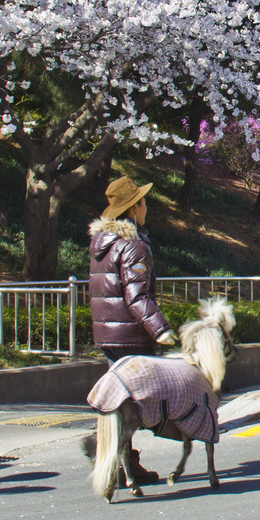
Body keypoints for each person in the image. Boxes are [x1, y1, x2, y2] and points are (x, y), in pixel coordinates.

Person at [88, 175, 177, 483]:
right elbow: (137, 297)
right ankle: (107, 452)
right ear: (134, 208)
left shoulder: (103, 244)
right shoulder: (133, 246)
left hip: (108, 335)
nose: (146, 207)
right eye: (143, 201)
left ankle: (118, 463)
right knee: (137, 403)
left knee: (119, 400)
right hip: (131, 336)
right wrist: (161, 330)